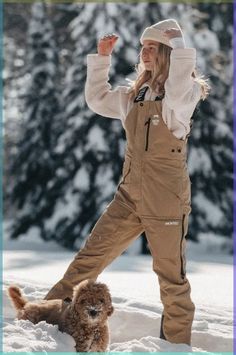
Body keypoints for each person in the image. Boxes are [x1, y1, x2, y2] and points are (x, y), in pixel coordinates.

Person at [44, 18, 210, 345]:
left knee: (171, 281)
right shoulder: (134, 95)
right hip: (128, 197)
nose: (145, 53)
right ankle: (48, 325)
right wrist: (102, 59)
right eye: (142, 47)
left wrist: (179, 47)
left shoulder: (183, 95)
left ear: (168, 53)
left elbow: (176, 89)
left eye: (152, 47)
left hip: (165, 202)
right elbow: (97, 99)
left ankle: (175, 347)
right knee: (86, 262)